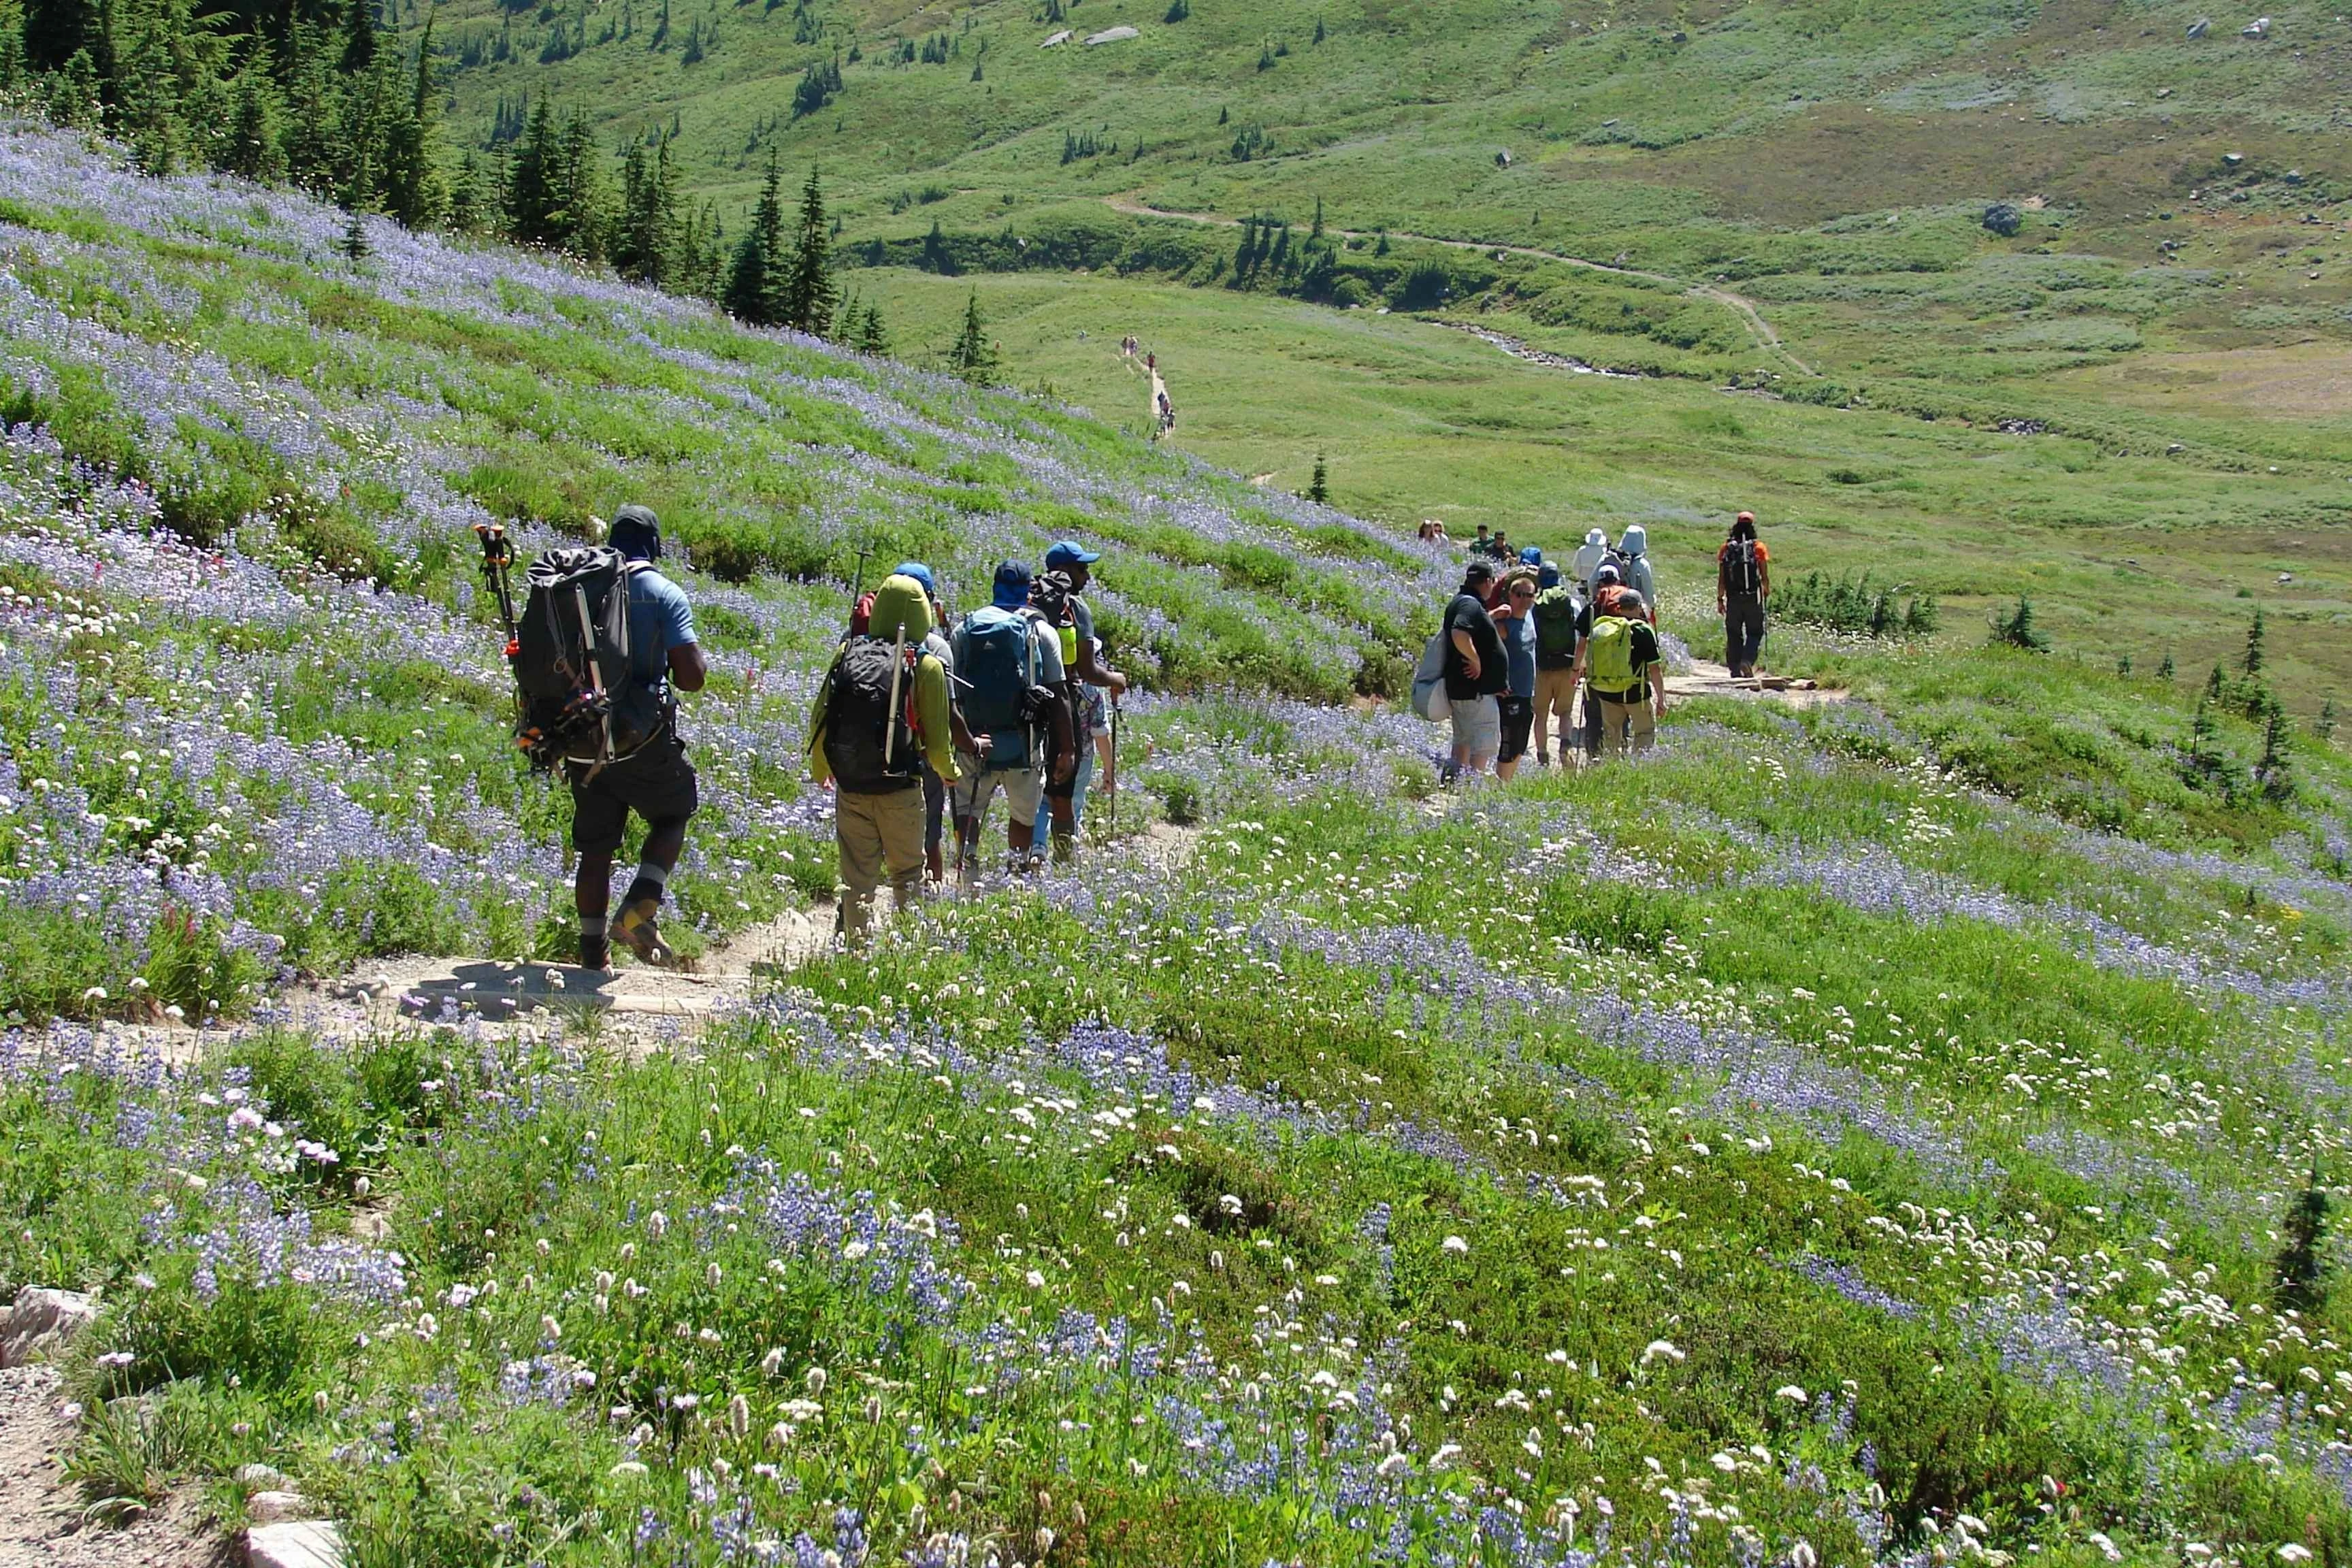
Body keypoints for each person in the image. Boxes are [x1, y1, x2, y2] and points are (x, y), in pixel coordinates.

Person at [570, 506, 706, 970]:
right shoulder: (662, 593)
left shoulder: (581, 587)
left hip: (581, 739)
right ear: (654, 545)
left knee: (596, 847)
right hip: (637, 739)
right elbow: (690, 677)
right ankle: (638, 909)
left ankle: (593, 957)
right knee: (675, 810)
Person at [807, 574, 960, 949]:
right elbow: (938, 744)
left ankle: (856, 953)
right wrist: (950, 773)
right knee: (908, 874)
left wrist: (821, 768)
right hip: (900, 788)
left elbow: (820, 718)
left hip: (852, 785)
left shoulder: (847, 653)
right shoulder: (926, 666)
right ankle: (910, 953)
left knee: (858, 878)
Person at [952, 562, 1072, 880]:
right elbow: (1058, 694)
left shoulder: (965, 628)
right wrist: (1067, 749)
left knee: (969, 810)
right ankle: (1015, 871)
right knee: (1023, 814)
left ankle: (968, 869)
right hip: (1024, 742)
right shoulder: (1041, 631)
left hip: (975, 741)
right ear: (1027, 590)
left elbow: (952, 689)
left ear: (994, 586)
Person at [891, 561, 975, 883]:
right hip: (922, 757)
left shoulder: (855, 638)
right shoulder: (936, 647)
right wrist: (957, 761)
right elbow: (950, 714)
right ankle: (926, 887)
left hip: (866, 753)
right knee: (928, 829)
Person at [1041, 538, 1129, 836]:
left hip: (1029, 706)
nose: (1087, 577)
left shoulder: (1031, 601)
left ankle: (1032, 851)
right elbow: (1087, 670)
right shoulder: (1076, 609)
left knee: (1035, 793)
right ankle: (1064, 857)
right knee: (1066, 791)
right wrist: (1115, 679)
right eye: (1082, 569)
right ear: (1065, 569)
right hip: (1064, 706)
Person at [1571, 589, 1666, 758]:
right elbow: (1655, 669)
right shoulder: (1643, 631)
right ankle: (1638, 770)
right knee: (1644, 733)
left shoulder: (1603, 627)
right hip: (1635, 693)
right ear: (1638, 607)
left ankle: (1612, 769)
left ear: (1619, 608)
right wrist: (1661, 699)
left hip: (1607, 692)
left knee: (1611, 736)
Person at [1443, 560, 1507, 781]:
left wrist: (1493, 615)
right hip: (1474, 689)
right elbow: (1460, 633)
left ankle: (1454, 781)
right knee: (1483, 741)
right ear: (1488, 582)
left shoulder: (1461, 602)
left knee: (1463, 738)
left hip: (1462, 687)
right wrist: (1476, 660)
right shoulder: (1470, 605)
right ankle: (1471, 786)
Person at [1530, 563, 1579, 768]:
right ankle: (1565, 747)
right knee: (1566, 712)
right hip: (1567, 666)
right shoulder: (1572, 603)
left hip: (1543, 667)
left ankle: (1542, 757)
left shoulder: (1535, 605)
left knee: (1540, 715)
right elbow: (1579, 636)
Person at [1492, 573, 1539, 781]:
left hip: (1527, 692)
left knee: (1522, 742)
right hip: (1509, 693)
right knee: (1508, 743)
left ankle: (1508, 782)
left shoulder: (1530, 616)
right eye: (1519, 595)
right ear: (1510, 595)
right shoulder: (1504, 625)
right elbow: (1478, 629)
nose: (1524, 599)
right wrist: (1493, 614)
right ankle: (1502, 784)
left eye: (1529, 595)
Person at [1718, 511, 1771, 677]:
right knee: (1755, 632)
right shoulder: (1758, 548)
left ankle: (1735, 669)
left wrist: (1720, 599)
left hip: (1733, 597)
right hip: (1752, 597)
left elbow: (1722, 578)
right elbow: (1764, 575)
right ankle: (1747, 661)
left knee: (1734, 633)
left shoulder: (1727, 548)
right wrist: (1766, 590)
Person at [1617, 524, 1658, 608]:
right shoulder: (1642, 565)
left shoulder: (1613, 559)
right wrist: (1651, 605)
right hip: (1634, 608)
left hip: (1616, 604)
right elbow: (1648, 590)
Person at [1571, 527, 1610, 594]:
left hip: (1584, 581)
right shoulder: (1605, 552)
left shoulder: (1582, 550)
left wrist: (1577, 576)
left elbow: (1576, 567)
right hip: (1598, 582)